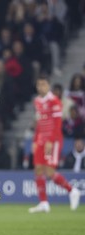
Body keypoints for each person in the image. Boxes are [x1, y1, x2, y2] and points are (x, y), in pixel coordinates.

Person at [29, 75, 81, 213]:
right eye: (39, 84)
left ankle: (72, 191)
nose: (41, 87)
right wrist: (35, 141)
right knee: (38, 169)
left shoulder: (55, 101)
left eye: (44, 84)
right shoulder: (37, 101)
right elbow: (39, 123)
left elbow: (58, 124)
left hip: (53, 140)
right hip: (41, 139)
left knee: (49, 171)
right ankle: (44, 202)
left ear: (49, 86)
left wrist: (50, 141)